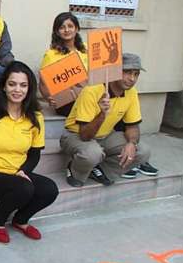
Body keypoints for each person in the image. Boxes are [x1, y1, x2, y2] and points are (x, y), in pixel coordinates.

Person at [0, 62, 59, 243]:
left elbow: (35, 153)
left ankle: (20, 220)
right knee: (24, 187)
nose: (17, 90)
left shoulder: (35, 117)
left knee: (49, 189)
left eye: (23, 85)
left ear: (29, 89)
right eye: (12, 84)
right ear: (4, 86)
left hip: (17, 173)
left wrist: (24, 171)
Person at [60, 53, 152, 187]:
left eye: (136, 74)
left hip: (106, 136)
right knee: (93, 153)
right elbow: (85, 135)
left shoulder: (131, 93)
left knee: (143, 151)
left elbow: (133, 126)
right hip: (76, 135)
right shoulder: (92, 90)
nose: (132, 79)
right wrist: (102, 114)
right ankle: (74, 171)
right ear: (114, 72)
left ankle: (102, 169)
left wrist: (132, 143)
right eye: (127, 72)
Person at [39, 12, 88, 116]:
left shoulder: (86, 49)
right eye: (62, 27)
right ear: (57, 31)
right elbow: (43, 83)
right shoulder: (51, 55)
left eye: (70, 26)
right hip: (67, 102)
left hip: (89, 96)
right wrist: (49, 98)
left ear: (77, 29)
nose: (66, 30)